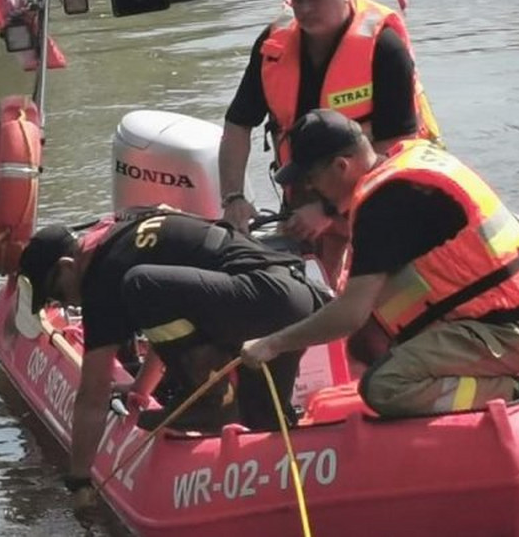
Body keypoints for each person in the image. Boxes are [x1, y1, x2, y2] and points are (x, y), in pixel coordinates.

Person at [18, 210, 327, 523]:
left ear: (67, 265)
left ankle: (212, 401)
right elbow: (170, 322)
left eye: (58, 294)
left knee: (140, 285)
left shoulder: (100, 277)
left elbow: (92, 393)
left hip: (258, 302)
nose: (68, 305)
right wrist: (140, 389)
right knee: (263, 424)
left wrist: (80, 483)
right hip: (288, 297)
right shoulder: (125, 237)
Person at [240, 109, 519, 417]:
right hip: (507, 316)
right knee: (364, 344)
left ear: (341, 166)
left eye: (311, 178)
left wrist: (274, 344)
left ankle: (516, 392)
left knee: (384, 386)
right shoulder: (402, 165)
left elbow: (350, 314)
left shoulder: (383, 204)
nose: (309, 189)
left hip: (505, 333)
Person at [217, 0, 442, 279]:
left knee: (377, 297)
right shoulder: (273, 46)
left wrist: (329, 209)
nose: (304, 8)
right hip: (304, 195)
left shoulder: (384, 47)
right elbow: (237, 125)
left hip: (381, 192)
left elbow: (399, 147)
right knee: (299, 290)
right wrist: (233, 197)